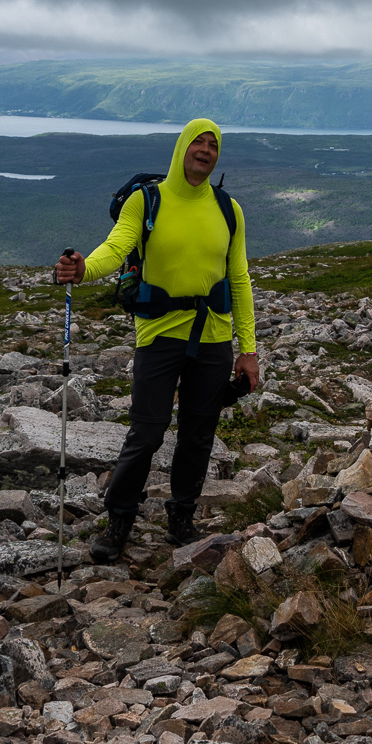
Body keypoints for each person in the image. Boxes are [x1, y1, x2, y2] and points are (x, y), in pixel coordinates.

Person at [55, 118, 260, 561]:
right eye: (197, 142)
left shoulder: (229, 209)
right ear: (181, 148)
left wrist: (248, 349)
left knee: (198, 434)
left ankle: (181, 518)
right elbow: (115, 248)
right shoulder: (146, 200)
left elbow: (238, 279)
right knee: (147, 432)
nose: (205, 150)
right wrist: (83, 268)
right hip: (159, 333)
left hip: (213, 336)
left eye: (213, 145)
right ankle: (119, 521)